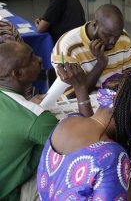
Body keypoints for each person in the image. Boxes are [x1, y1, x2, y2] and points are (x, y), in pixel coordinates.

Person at [37, 73, 131, 199]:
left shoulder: (69, 120)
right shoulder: (114, 157)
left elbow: (89, 158)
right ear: (128, 116)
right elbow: (103, 158)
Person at [0, 42, 91, 200]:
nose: (40, 58)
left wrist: (26, 105)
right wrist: (81, 87)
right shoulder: (36, 119)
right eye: (31, 58)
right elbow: (89, 145)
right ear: (18, 73)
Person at [51, 4, 131, 97]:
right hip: (83, 106)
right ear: (94, 25)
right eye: (107, 35)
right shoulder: (67, 47)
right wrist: (100, 64)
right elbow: (71, 96)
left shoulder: (123, 38)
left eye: (117, 36)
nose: (113, 41)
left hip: (115, 101)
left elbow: (129, 79)